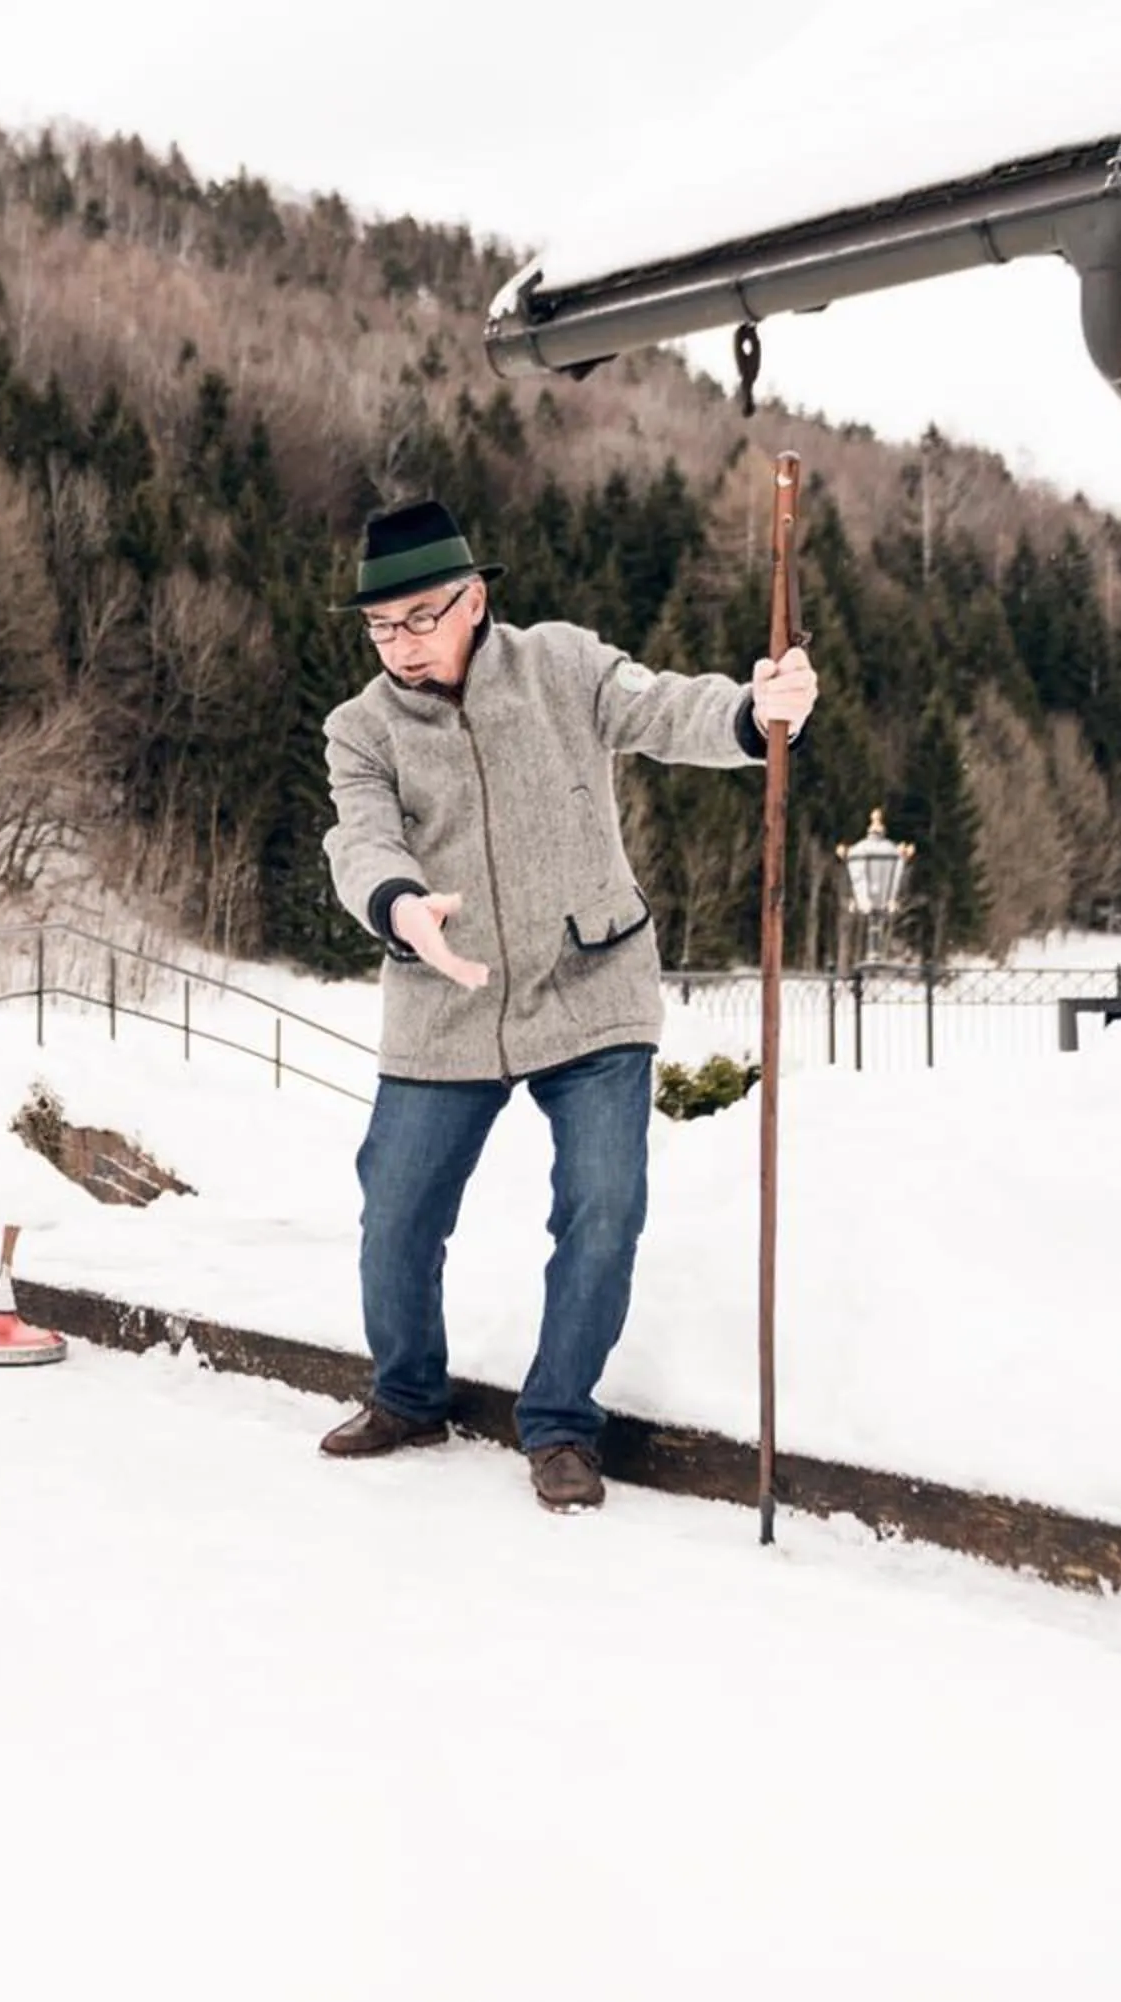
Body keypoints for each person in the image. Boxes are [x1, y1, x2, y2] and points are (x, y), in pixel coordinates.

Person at [316, 497, 818, 1511]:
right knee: (396, 1217)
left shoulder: (561, 663)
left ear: (475, 599)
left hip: (592, 983)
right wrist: (401, 907)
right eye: (380, 625)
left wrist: (756, 712)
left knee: (603, 1207)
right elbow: (360, 839)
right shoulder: (361, 729)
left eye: (419, 618)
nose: (400, 645)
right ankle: (408, 1392)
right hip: (445, 997)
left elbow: (666, 709)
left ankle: (559, 1422)